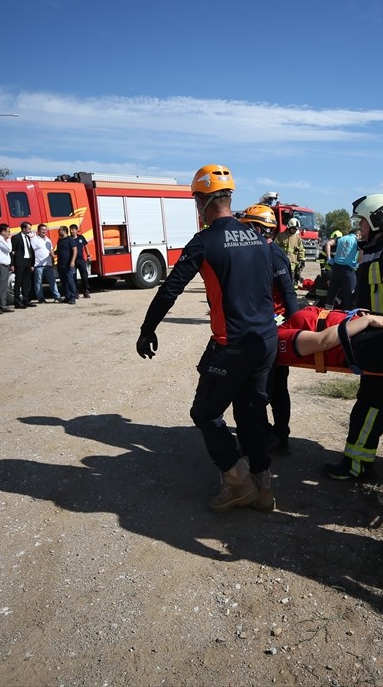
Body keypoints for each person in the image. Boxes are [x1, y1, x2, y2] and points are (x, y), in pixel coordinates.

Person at [136, 164, 278, 512]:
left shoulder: (205, 241)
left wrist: (147, 329)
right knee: (250, 412)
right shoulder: (258, 238)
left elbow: (170, 290)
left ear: (202, 201)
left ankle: (237, 482)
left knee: (205, 412)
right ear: (228, 197)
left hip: (233, 344)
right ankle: (263, 487)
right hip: (265, 341)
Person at [322, 194, 383, 481]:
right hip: (379, 340)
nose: (359, 228)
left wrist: (374, 335)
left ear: (378, 220)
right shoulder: (377, 250)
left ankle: (357, 464)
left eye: (363, 222)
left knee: (371, 402)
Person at [238, 204, 300, 454]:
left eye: (246, 229)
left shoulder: (274, 255)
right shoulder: (255, 253)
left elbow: (289, 293)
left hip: (275, 331)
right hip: (258, 330)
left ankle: (280, 437)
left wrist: (293, 330)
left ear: (259, 229)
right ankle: (266, 434)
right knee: (261, 388)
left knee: (273, 389)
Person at [324, 229, 358, 310]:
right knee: (349, 295)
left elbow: (328, 244)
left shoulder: (341, 238)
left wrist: (329, 258)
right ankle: (347, 313)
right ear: (358, 234)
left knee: (332, 293)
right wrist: (357, 263)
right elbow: (362, 251)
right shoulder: (357, 240)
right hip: (348, 270)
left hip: (336, 268)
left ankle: (326, 312)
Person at [11, 221, 37, 308]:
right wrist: (12, 264)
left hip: (28, 262)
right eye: (29, 229)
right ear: (23, 228)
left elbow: (30, 250)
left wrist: (32, 264)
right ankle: (17, 302)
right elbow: (13, 251)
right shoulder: (16, 237)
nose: (30, 230)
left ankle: (26, 300)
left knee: (26, 282)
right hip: (20, 262)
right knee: (18, 283)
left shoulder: (28, 237)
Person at [33, 223, 61, 303]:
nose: (44, 231)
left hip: (48, 264)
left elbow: (51, 250)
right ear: (38, 231)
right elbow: (32, 252)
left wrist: (52, 258)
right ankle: (41, 298)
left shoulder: (48, 240)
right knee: (38, 282)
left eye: (45, 230)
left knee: (52, 281)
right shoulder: (34, 240)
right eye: (42, 229)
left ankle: (57, 296)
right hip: (38, 264)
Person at [276, 217, 306, 285]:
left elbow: (301, 250)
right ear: (289, 227)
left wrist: (302, 260)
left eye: (296, 229)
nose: (295, 230)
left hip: (293, 263)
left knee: (293, 282)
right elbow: (275, 247)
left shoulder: (298, 238)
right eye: (294, 228)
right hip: (282, 262)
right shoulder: (281, 236)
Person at [56, 226, 78, 305]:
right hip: (60, 264)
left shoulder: (70, 239)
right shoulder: (60, 240)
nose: (58, 231)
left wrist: (72, 261)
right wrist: (53, 253)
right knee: (63, 281)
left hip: (68, 264)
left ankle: (73, 297)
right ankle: (67, 297)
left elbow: (75, 250)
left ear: (64, 231)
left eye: (60, 230)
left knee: (69, 280)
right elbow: (59, 250)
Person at [71, 224, 92, 298]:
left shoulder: (81, 237)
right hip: (73, 260)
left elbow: (86, 246)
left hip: (81, 260)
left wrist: (88, 255)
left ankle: (86, 291)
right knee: (73, 277)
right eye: (70, 230)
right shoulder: (69, 239)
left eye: (73, 229)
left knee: (84, 276)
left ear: (76, 230)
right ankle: (76, 292)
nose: (71, 231)